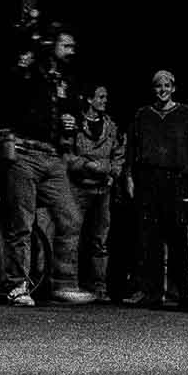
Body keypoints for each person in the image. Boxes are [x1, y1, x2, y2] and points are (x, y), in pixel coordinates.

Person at [0, 21, 92, 306]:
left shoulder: (64, 79)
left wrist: (70, 121)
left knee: (71, 217)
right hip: (24, 153)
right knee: (22, 223)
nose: (71, 51)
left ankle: (63, 284)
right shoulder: (29, 71)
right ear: (51, 46)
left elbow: (70, 111)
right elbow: (10, 89)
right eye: (66, 45)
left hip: (52, 156)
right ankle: (16, 285)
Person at [123, 70, 188, 308]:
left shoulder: (186, 114)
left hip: (177, 182)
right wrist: (129, 177)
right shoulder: (143, 115)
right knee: (149, 239)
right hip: (148, 181)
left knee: (179, 238)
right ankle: (152, 292)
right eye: (158, 86)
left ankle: (183, 293)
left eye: (166, 86)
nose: (162, 90)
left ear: (173, 88)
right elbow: (131, 149)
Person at [68, 84, 126, 298]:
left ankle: (98, 287)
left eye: (106, 97)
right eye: (100, 97)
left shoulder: (110, 126)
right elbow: (67, 155)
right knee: (73, 235)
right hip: (79, 187)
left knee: (99, 239)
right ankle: (70, 284)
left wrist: (112, 172)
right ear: (89, 99)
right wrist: (85, 165)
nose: (104, 100)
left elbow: (119, 153)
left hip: (103, 189)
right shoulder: (75, 125)